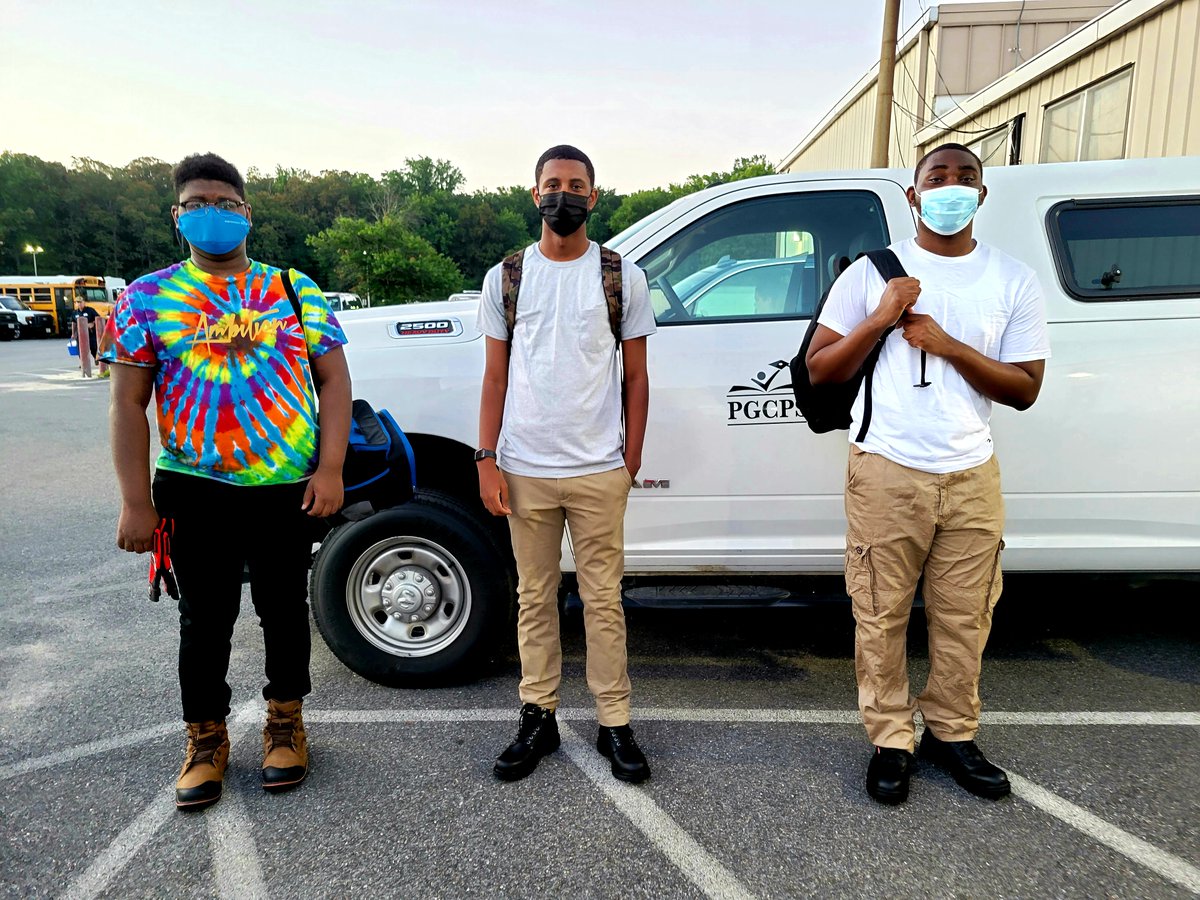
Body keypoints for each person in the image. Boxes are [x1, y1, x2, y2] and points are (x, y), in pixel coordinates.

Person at [101, 153, 352, 811]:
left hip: (283, 485)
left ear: (247, 213)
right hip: (193, 488)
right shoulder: (146, 297)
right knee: (204, 620)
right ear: (178, 216)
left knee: (284, 611)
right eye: (198, 203)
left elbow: (334, 382)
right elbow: (127, 403)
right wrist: (135, 501)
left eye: (226, 202)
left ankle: (285, 724)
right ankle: (206, 740)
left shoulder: (294, 289)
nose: (213, 213)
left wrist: (330, 469)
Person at [805, 143, 1050, 805]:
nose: (950, 188)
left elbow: (1025, 388)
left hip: (971, 473)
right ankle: (890, 738)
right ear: (912, 197)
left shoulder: (1012, 279)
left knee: (965, 616)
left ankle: (951, 731)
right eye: (936, 178)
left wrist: (950, 347)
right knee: (880, 614)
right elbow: (821, 368)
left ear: (982, 195)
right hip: (888, 469)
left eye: (964, 178)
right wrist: (883, 317)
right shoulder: (871, 274)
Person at [476, 145, 657, 783]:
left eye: (576, 185)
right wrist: (486, 457)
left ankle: (615, 722)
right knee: (535, 595)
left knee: (604, 598)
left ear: (593, 197)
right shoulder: (507, 276)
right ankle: (538, 715)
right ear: (534, 195)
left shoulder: (620, 276)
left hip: (597, 467)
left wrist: (629, 456)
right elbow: (495, 374)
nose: (564, 195)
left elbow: (636, 374)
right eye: (553, 184)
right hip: (525, 466)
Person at [73, 296, 99, 363]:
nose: (79, 304)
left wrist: (92, 323)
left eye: (80, 302)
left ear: (84, 302)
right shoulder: (75, 313)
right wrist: (73, 333)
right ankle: (83, 362)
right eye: (77, 302)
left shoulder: (90, 310)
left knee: (93, 347)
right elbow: (74, 323)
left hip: (90, 333)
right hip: (80, 334)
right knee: (81, 349)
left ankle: (96, 359)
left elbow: (98, 318)